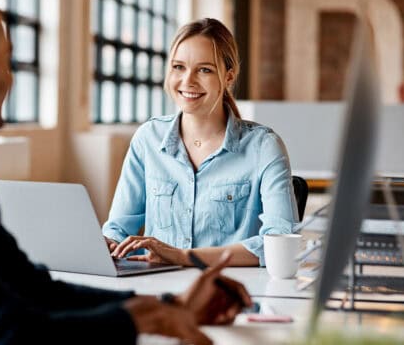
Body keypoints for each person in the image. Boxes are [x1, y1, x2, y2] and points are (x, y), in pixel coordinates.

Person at [0, 0, 252, 345]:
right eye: (6, 61)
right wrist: (133, 321)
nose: (11, 78)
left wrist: (166, 306)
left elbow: (29, 287)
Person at [102, 18, 299, 267]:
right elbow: (118, 229)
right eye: (178, 67)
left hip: (231, 293)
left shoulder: (263, 147)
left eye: (204, 69)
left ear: (228, 76)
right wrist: (106, 244)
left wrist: (184, 257)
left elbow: (280, 243)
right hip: (158, 289)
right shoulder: (148, 138)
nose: (187, 81)